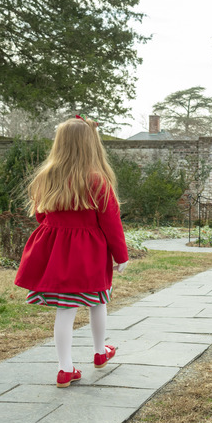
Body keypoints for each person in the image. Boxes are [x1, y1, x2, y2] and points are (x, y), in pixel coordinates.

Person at [15, 115, 129, 388]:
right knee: (97, 301)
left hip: (56, 253)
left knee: (65, 311)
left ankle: (65, 368)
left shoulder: (47, 176)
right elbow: (110, 222)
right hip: (89, 253)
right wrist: (121, 255)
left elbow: (42, 217)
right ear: (91, 144)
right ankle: (100, 352)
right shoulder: (97, 180)